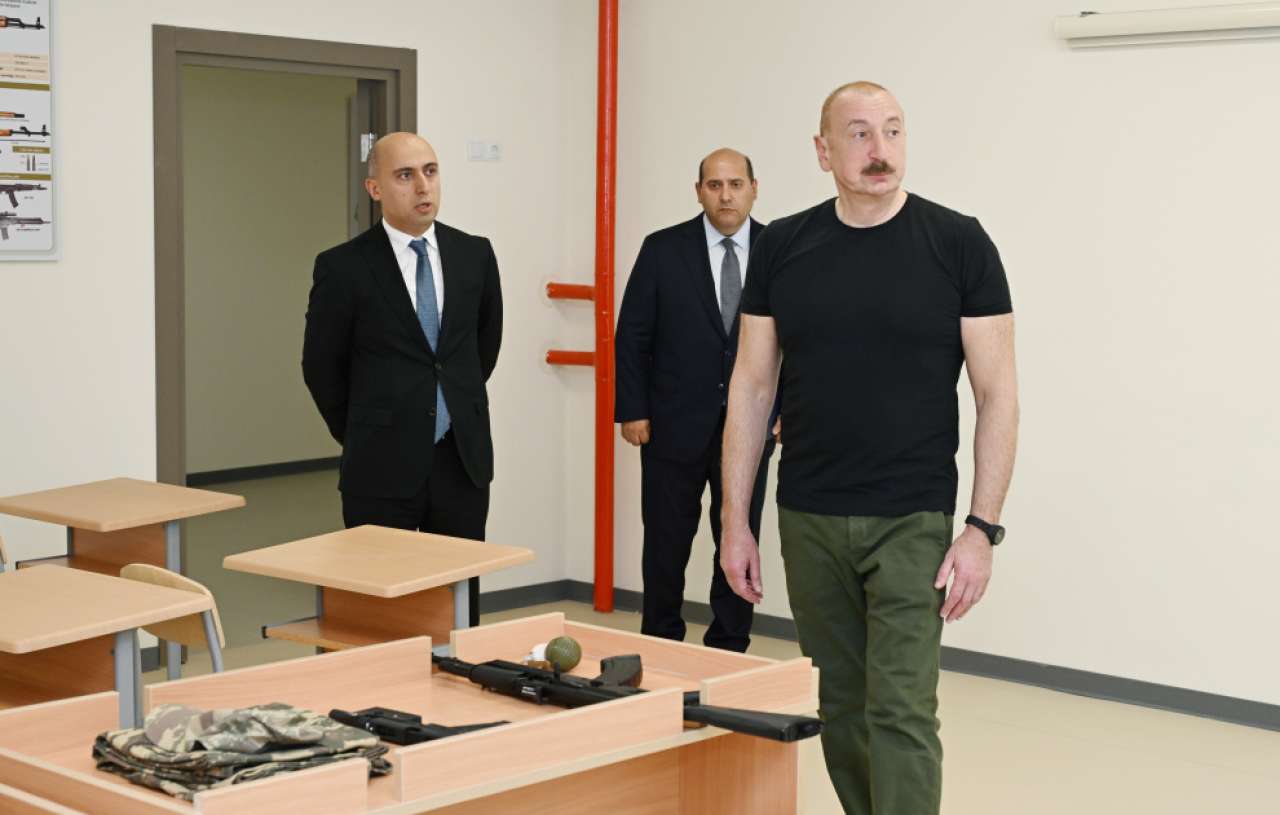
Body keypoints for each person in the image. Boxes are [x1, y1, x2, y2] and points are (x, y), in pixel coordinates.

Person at [720, 82, 1019, 814]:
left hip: (913, 517)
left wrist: (980, 529)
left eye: (892, 130)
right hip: (810, 513)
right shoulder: (782, 246)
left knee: (903, 709)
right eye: (857, 133)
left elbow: (998, 395)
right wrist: (734, 520)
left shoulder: (959, 243)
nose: (879, 149)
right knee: (842, 704)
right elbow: (752, 388)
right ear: (823, 150)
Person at [302, 132, 503, 624]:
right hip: (380, 461)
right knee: (378, 608)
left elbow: (482, 348)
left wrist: (451, 405)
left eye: (430, 172)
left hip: (461, 458)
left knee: (458, 604)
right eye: (405, 175)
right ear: (375, 189)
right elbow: (322, 366)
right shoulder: (343, 267)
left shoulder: (474, 254)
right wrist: (362, 428)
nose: (422, 186)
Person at [615, 148, 778, 653]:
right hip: (671, 426)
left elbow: (801, 339)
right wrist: (633, 410)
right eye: (714, 185)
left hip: (750, 430)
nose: (726, 195)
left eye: (736, 184)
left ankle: (729, 644)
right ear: (699, 191)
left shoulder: (779, 249)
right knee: (666, 542)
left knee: (739, 535)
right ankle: (660, 640)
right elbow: (633, 335)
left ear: (754, 189)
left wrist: (789, 409)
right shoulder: (663, 249)